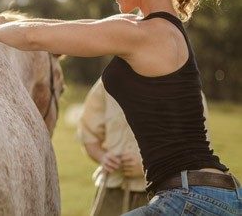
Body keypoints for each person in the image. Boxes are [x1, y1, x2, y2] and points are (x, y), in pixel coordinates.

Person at [0, 0, 242, 215]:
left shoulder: (145, 34)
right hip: (200, 195)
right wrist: (5, 24)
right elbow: (72, 28)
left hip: (193, 199)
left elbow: (35, 36)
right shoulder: (144, 28)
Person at [77, 78, 211, 215]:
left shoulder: (186, 85)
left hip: (161, 195)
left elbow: (195, 150)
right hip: (112, 193)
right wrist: (103, 157)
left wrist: (150, 167)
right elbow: (88, 134)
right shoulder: (109, 80)